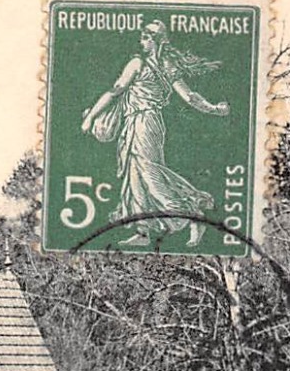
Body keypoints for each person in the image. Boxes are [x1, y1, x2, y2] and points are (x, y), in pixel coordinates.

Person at [80, 21, 230, 248]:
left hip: (144, 122)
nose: (141, 40)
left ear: (154, 40)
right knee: (135, 176)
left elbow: (116, 90)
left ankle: (192, 216)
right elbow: (190, 97)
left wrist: (91, 116)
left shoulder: (138, 63)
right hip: (141, 123)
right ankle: (143, 231)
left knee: (150, 174)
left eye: (145, 36)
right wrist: (214, 109)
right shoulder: (166, 65)